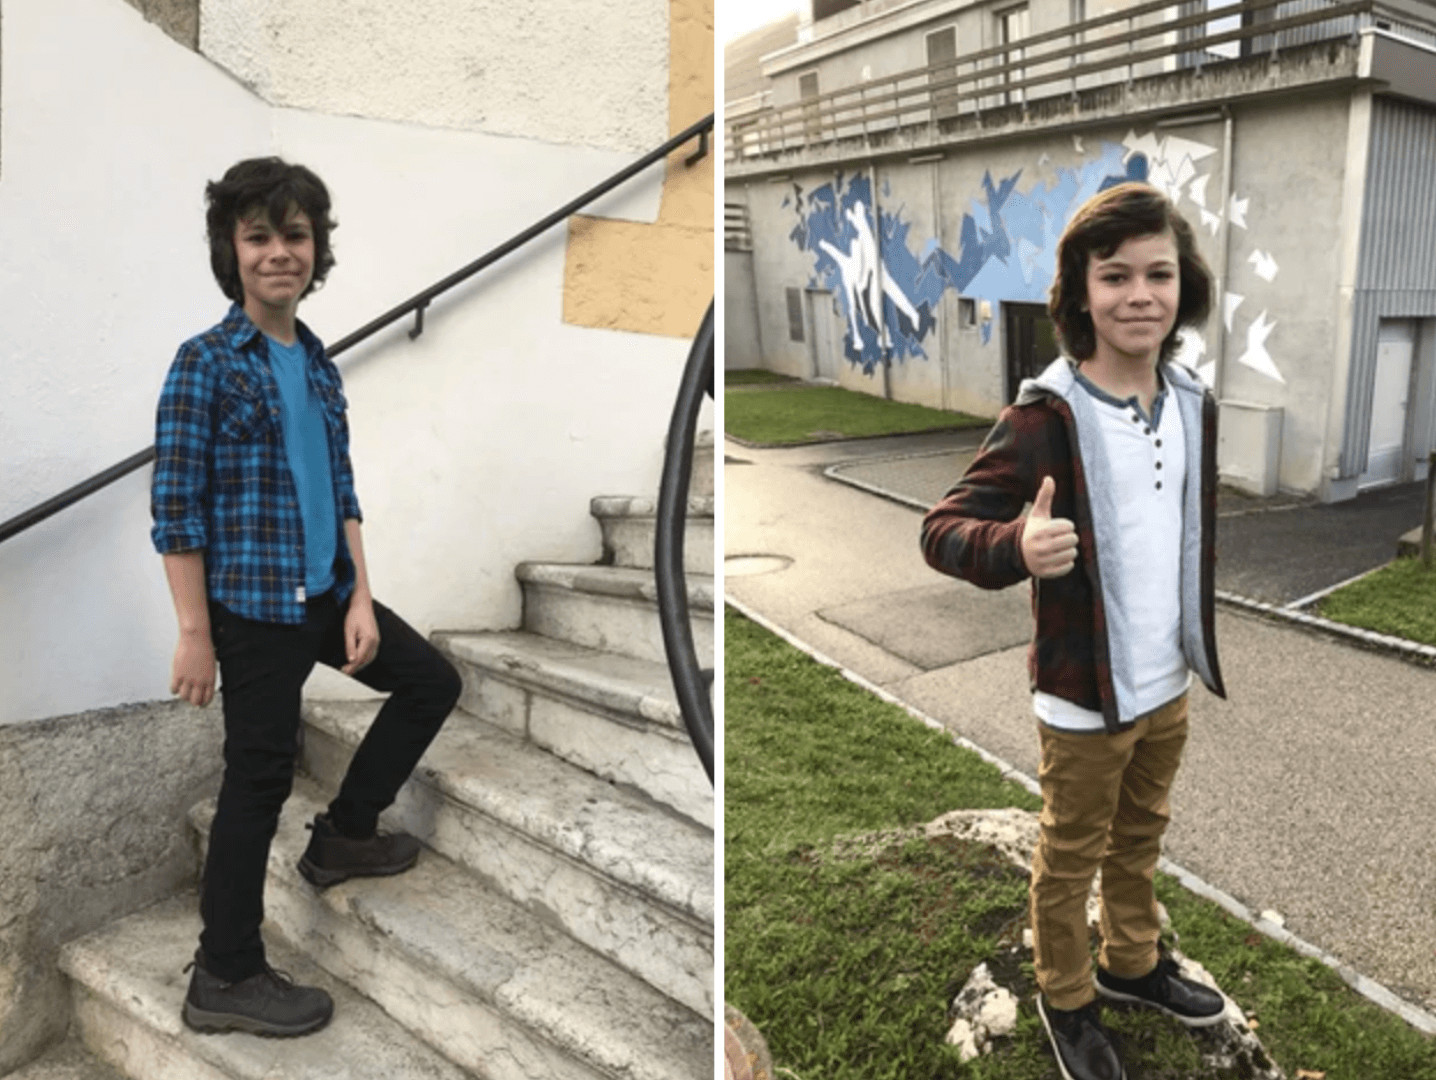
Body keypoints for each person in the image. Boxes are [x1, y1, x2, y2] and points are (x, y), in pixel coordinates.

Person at [921, 182, 1228, 1080]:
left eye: (1159, 274)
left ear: (1184, 288)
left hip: (1166, 683)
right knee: (1070, 854)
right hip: (1083, 696)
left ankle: (1132, 965)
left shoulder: (1190, 405)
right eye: (1116, 276)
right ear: (1080, 292)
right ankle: (1067, 998)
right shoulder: (1044, 416)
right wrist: (1016, 542)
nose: (1140, 295)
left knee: (1141, 837)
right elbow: (942, 528)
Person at [151, 157, 462, 1038]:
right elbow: (174, 510)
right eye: (259, 236)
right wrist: (193, 632)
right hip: (251, 615)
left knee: (431, 682)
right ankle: (225, 973)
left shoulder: (318, 364)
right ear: (232, 251)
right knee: (254, 783)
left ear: (316, 248)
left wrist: (362, 596)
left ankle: (346, 833)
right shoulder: (205, 364)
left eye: (295, 235)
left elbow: (344, 492)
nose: (279, 252)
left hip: (325, 594)